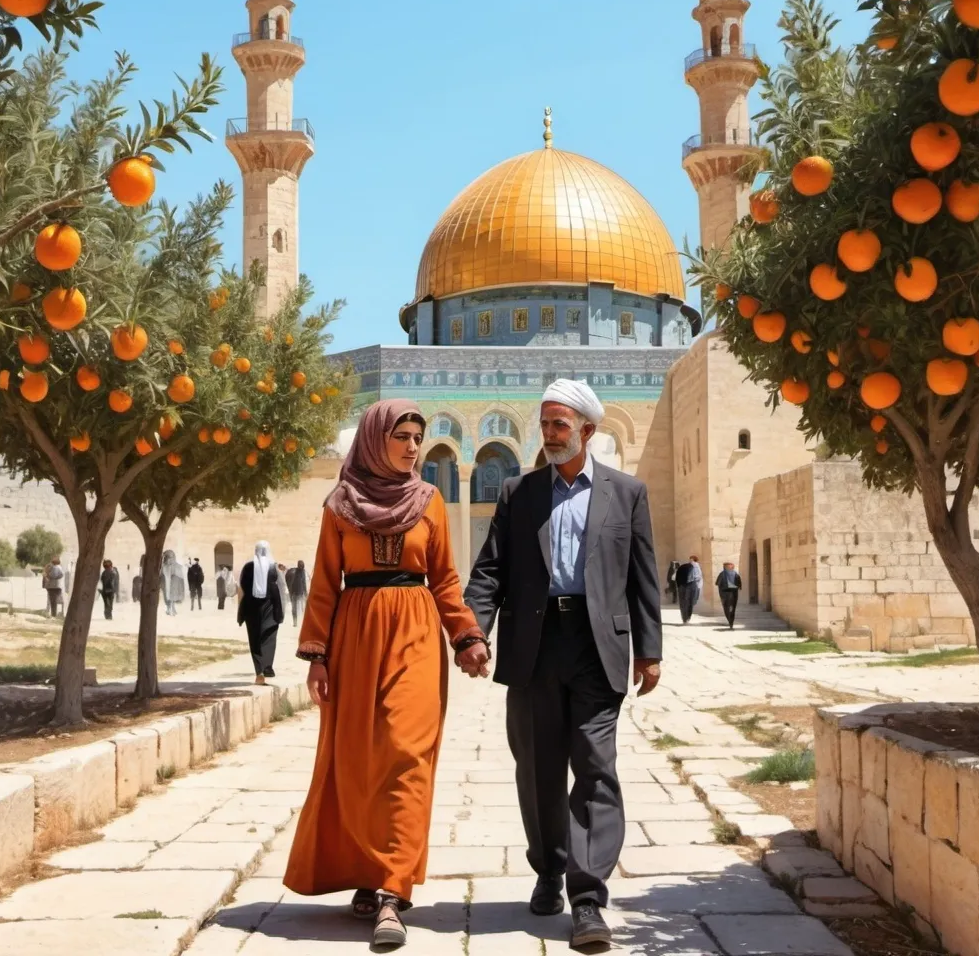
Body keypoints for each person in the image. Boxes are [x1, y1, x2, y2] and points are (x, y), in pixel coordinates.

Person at [284, 400, 489, 950]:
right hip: (354, 638)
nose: (413, 446)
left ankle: (393, 894)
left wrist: (466, 636)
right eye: (402, 435)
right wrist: (317, 656)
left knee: (405, 752)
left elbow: (445, 578)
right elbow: (326, 582)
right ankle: (367, 873)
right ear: (377, 439)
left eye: (418, 437)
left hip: (416, 636)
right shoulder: (340, 505)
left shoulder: (431, 502)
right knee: (357, 759)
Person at [464, 378, 662, 950]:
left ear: (588, 432)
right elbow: (489, 572)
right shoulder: (518, 494)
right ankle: (549, 868)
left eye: (560, 425)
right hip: (534, 644)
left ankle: (588, 897)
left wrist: (649, 650)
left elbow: (643, 579)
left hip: (597, 646)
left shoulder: (628, 493)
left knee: (596, 769)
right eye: (545, 423)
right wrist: (473, 632)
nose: (549, 435)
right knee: (538, 771)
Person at [238, 542, 283, 684]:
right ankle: (267, 665)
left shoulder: (248, 567)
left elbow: (243, 587)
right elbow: (277, 588)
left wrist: (241, 610)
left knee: (255, 638)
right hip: (270, 607)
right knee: (269, 636)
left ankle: (259, 671)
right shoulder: (272, 567)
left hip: (252, 608)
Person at [675, 555, 703, 624]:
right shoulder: (685, 567)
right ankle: (685, 618)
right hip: (686, 585)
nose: (691, 561)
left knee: (689, 602)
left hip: (691, 585)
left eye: (692, 560)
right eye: (690, 560)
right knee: (686, 602)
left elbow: (699, 578)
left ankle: (686, 617)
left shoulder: (696, 567)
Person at [716, 561, 743, 629]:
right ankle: (731, 622)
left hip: (724, 594)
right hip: (734, 594)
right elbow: (739, 586)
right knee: (732, 607)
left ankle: (729, 621)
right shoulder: (736, 574)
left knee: (726, 607)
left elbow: (717, 583)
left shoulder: (722, 574)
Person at [160, 551, 185, 616]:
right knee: (167, 597)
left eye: (171, 558)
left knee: (171, 597)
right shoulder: (164, 567)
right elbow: (162, 575)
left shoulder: (176, 566)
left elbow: (178, 576)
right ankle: (169, 609)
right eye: (168, 558)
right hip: (166, 585)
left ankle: (172, 609)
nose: (170, 560)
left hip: (170, 585)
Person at [287, 559, 307, 627]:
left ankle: (298, 622)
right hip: (296, 593)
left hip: (297, 593)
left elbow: (303, 583)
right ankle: (296, 622)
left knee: (298, 608)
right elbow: (303, 583)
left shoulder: (298, 571)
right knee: (297, 609)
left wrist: (305, 593)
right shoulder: (297, 572)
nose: (301, 567)